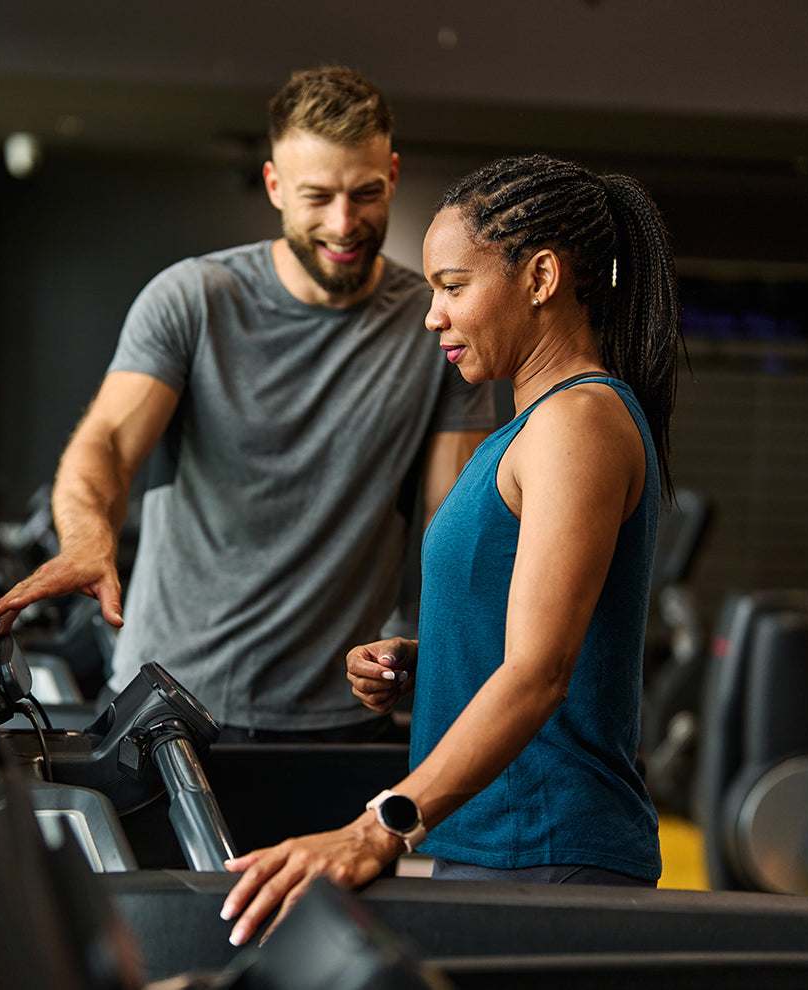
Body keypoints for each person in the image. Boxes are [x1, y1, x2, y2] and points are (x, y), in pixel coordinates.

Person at [219, 153, 683, 945]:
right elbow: (525, 630)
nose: (433, 314)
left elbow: (540, 673)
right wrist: (430, 659)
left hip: (549, 850)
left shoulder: (578, 424)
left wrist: (378, 829)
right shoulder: (531, 430)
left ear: (540, 277)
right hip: (497, 845)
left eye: (454, 286)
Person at [0, 67, 495, 740]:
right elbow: (107, 440)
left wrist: (416, 646)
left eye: (364, 194)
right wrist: (87, 537)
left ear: (393, 175)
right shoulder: (194, 299)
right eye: (316, 196)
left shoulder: (439, 324)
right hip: (170, 700)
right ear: (275, 186)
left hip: (337, 712)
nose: (344, 224)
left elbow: (450, 520)